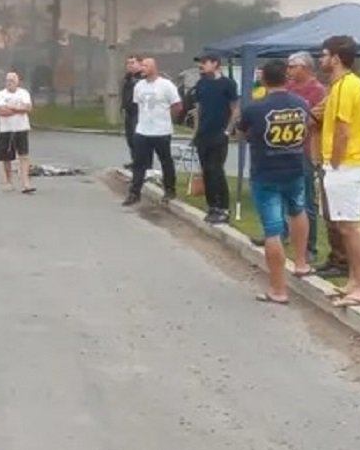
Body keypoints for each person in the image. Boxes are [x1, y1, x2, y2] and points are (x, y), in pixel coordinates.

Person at [236, 59, 313, 303]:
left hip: (266, 171)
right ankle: (301, 263)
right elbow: (308, 127)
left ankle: (278, 290)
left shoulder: (255, 108)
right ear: (286, 78)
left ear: (264, 80)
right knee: (298, 211)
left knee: (272, 230)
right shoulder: (302, 103)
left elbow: (241, 132)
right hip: (295, 167)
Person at [319, 35, 360, 307]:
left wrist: (335, 163)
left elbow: (343, 130)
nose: (321, 59)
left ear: (336, 58)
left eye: (324, 55)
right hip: (353, 161)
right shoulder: (351, 84)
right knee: (344, 226)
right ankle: (354, 281)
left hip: (347, 163)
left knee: (350, 228)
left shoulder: (344, 86)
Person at [285, 52, 333, 267]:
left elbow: (314, 119)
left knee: (306, 199)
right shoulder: (287, 87)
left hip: (304, 149)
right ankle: (283, 234)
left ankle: (310, 247)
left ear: (305, 67)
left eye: (293, 66)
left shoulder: (318, 90)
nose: (289, 70)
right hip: (284, 148)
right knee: (283, 195)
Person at [124, 57, 183, 206]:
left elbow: (177, 105)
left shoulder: (166, 85)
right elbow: (138, 105)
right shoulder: (139, 86)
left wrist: (167, 118)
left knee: (166, 161)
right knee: (139, 162)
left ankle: (169, 190)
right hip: (143, 130)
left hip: (161, 131)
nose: (142, 68)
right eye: (142, 66)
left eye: (145, 66)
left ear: (153, 68)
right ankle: (134, 192)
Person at [190, 54, 239, 224]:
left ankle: (223, 207)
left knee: (216, 170)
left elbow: (235, 109)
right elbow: (198, 109)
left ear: (215, 64)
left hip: (219, 133)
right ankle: (212, 206)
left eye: (204, 62)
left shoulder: (228, 84)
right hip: (203, 134)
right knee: (206, 171)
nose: (201, 66)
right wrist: (195, 132)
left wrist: (228, 130)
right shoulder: (201, 84)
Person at [0, 71, 34, 193]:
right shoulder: (2, 94)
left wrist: (12, 108)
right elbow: (1, 110)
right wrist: (18, 109)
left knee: (24, 156)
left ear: (17, 81)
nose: (10, 82)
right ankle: (8, 181)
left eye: (12, 80)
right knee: (7, 157)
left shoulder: (23, 93)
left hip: (21, 129)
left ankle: (26, 183)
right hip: (6, 130)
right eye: (8, 80)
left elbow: (27, 108)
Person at [121, 55, 142, 161]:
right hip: (129, 111)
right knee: (130, 139)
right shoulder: (127, 78)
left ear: (139, 64)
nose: (130, 65)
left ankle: (142, 163)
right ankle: (134, 161)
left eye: (133, 63)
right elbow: (125, 94)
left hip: (138, 110)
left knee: (137, 138)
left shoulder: (142, 78)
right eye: (128, 63)